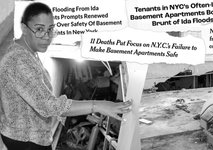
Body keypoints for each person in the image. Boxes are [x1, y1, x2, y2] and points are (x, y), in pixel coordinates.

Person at [0, 2, 131, 150]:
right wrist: (98, 105)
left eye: (50, 29)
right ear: (24, 28)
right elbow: (48, 105)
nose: (46, 37)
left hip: (30, 132)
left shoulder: (29, 51)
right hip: (25, 140)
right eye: (39, 30)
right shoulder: (18, 61)